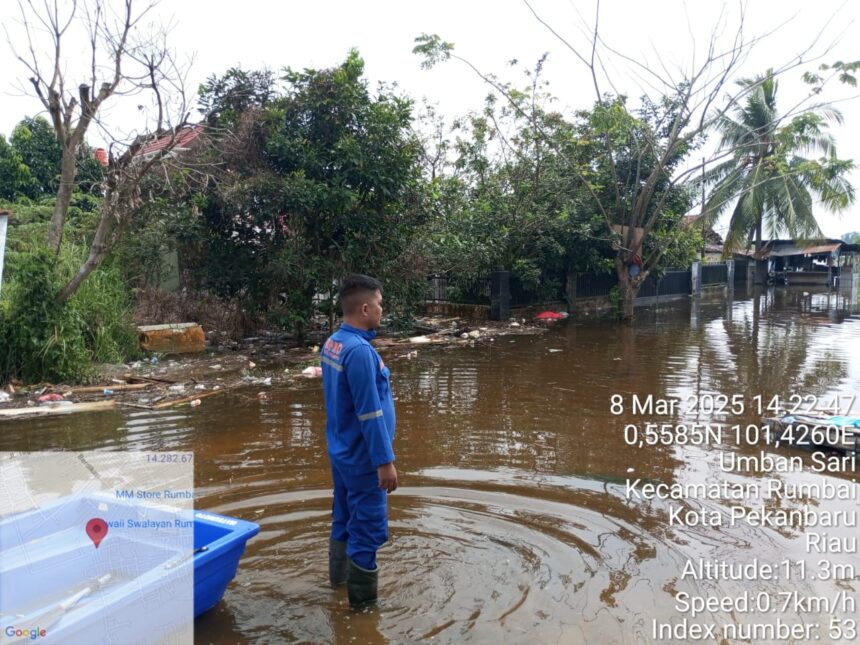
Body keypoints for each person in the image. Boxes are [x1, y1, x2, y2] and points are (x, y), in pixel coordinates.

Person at [320, 274, 398, 608]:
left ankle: (337, 586)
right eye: (380, 304)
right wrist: (385, 462)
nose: (382, 310)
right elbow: (370, 413)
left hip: (342, 453)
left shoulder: (333, 343)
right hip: (365, 459)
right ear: (365, 307)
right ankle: (363, 612)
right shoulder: (359, 352)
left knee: (343, 519)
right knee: (367, 530)